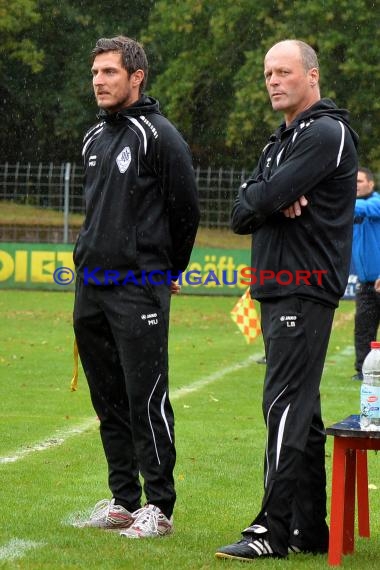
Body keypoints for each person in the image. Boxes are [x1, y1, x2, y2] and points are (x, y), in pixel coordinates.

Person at [215, 39, 358, 561]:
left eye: (283, 72)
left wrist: (268, 196)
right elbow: (240, 210)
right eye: (267, 72)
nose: (273, 80)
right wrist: (270, 195)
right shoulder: (281, 142)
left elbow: (262, 198)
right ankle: (306, 529)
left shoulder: (326, 132)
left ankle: (268, 532)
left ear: (312, 76)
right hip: (276, 286)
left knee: (282, 408)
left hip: (304, 284)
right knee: (303, 412)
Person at [73, 36, 200, 538]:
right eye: (95, 74)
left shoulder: (159, 135)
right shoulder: (93, 138)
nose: (99, 82)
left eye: (108, 72)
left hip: (139, 288)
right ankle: (124, 499)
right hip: (91, 288)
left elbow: (186, 208)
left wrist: (169, 270)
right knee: (108, 399)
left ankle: (159, 506)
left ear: (136, 76)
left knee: (145, 395)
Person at [351, 167, 380, 381]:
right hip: (365, 283)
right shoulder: (353, 209)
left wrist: (336, 199)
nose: (356, 185)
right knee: (363, 329)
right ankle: (362, 371)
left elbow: (365, 209)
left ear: (371, 184)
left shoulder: (375, 203)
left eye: (360, 181)